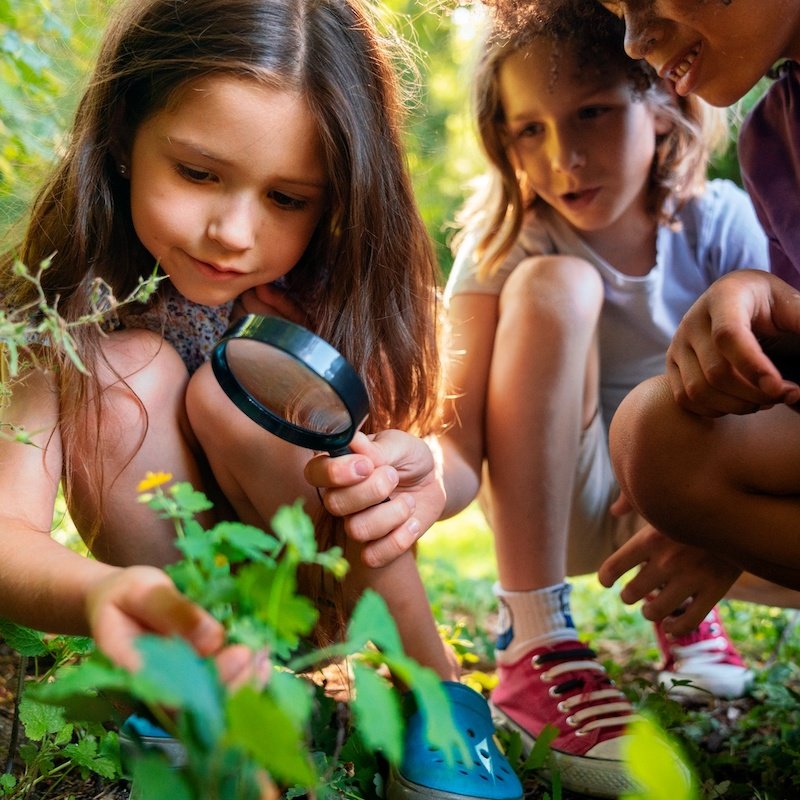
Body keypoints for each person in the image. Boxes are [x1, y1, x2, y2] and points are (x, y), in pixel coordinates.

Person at [0, 2, 523, 799]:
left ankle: (437, 692)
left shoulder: (330, 297)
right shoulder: (73, 308)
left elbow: (446, 467)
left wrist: (417, 475)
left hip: (318, 585)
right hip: (180, 597)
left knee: (240, 389)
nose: (233, 233)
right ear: (122, 139)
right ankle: (195, 684)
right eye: (199, 173)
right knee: (121, 369)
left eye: (287, 199)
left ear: (338, 196)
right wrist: (102, 589)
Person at [305, 1, 785, 796]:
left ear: (662, 105)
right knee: (558, 284)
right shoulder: (508, 245)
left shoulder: (723, 223)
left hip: (689, 504)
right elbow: (456, 444)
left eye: (592, 113)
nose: (564, 155)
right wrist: (422, 470)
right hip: (560, 505)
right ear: (504, 142)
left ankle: (687, 618)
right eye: (531, 129)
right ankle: (533, 641)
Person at [578, 2, 800, 631]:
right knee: (653, 436)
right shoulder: (773, 143)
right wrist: (764, 303)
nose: (635, 37)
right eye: (619, 7)